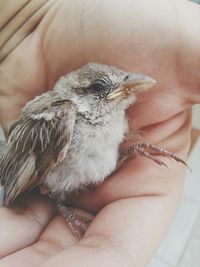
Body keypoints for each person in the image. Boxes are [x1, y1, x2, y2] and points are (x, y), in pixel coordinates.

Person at [0, 0, 199, 266]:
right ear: (80, 93)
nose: (126, 87)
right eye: (99, 88)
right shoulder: (61, 115)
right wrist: (59, 205)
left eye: (123, 82)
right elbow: (24, 170)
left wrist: (134, 148)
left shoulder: (115, 115)